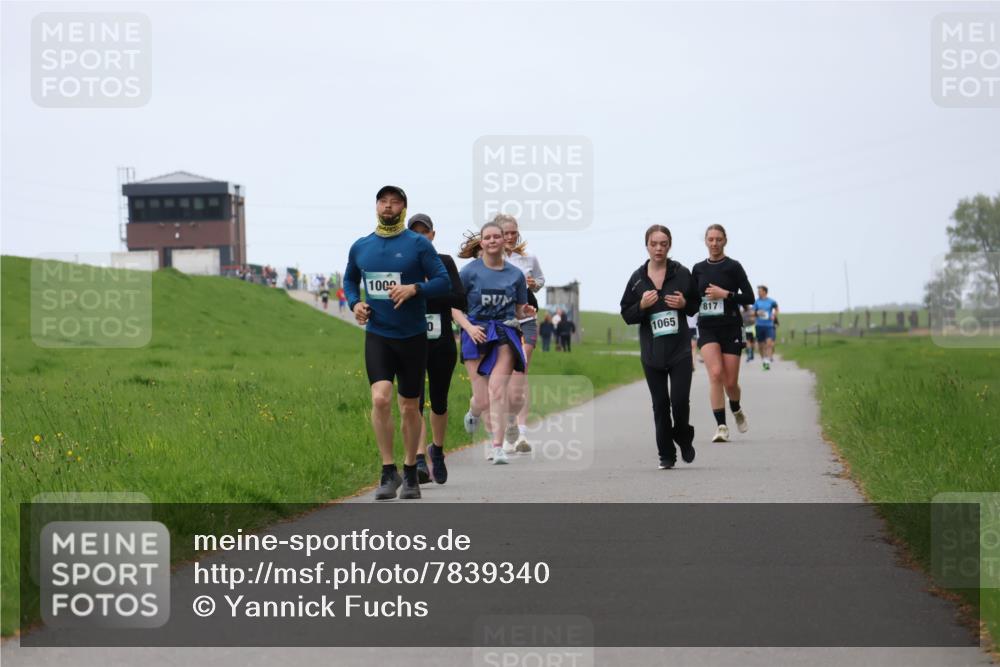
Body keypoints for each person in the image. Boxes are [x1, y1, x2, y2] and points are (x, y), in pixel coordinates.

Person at [343, 185, 450, 501]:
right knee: (380, 399)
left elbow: (442, 281)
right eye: (383, 201)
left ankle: (410, 471)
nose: (388, 206)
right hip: (378, 334)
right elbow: (350, 279)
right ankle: (387, 471)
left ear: (403, 207)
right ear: (376, 207)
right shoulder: (362, 246)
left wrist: (414, 289)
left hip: (413, 336)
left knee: (408, 406)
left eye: (395, 202)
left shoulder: (417, 245)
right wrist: (354, 303)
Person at [452, 221, 535, 465]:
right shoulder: (469, 272)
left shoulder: (515, 275)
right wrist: (468, 327)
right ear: (481, 242)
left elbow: (518, 309)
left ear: (503, 241)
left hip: (503, 332)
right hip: (475, 332)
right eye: (487, 237)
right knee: (483, 398)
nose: (492, 241)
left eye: (496, 237)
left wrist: (524, 310)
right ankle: (474, 411)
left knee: (498, 390)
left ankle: (498, 447)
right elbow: (454, 308)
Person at [621, 225, 701, 469]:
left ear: (669, 245)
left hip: (679, 350)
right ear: (647, 245)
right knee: (660, 405)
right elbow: (626, 313)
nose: (659, 248)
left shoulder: (682, 273)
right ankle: (666, 455)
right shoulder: (637, 279)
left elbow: (695, 305)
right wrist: (642, 306)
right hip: (652, 354)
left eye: (663, 243)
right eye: (654, 243)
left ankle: (684, 438)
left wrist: (685, 302)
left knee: (679, 401)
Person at [407, 213, 466, 485]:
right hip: (412, 338)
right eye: (414, 233)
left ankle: (437, 451)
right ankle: (419, 458)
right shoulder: (404, 265)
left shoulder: (444, 262)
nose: (420, 237)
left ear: (432, 235)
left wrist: (421, 290)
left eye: (424, 232)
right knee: (414, 399)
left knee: (439, 401)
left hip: (442, 341)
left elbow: (459, 298)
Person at [692, 224, 754, 443]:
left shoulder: (734, 267)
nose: (714, 243)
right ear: (706, 241)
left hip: (731, 328)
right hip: (707, 328)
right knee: (715, 374)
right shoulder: (698, 268)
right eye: (710, 239)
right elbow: (692, 299)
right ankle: (721, 426)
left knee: (730, 382)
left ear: (725, 240)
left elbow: (749, 297)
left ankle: (736, 409)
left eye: (718, 239)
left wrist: (725, 294)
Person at [498, 214, 545, 453]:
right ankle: (507, 428)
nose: (510, 237)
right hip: (501, 323)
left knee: (521, 373)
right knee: (503, 378)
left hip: (527, 318)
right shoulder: (487, 261)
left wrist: (533, 284)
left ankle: (522, 433)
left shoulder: (528, 258)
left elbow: (539, 280)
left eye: (514, 232)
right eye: (505, 233)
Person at [753, 285, 779, 370]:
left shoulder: (771, 301)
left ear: (764, 292)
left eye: (759, 291)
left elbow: (777, 308)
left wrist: (774, 315)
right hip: (759, 325)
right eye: (758, 291)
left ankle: (767, 362)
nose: (758, 292)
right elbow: (753, 312)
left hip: (769, 326)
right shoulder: (756, 302)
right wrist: (757, 313)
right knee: (761, 346)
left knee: (769, 344)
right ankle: (764, 360)